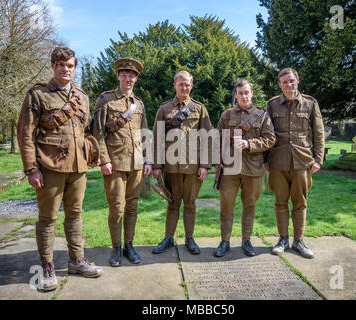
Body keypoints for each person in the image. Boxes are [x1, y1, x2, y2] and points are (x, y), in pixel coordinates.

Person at [17, 47, 102, 292]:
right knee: (47, 219)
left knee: (75, 215)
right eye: (61, 65)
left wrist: (93, 152)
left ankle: (77, 260)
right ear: (53, 66)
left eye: (71, 66)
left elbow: (86, 131)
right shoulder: (38, 95)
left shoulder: (82, 97)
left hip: (78, 167)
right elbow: (25, 134)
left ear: (75, 68)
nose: (66, 69)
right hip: (49, 166)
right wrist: (31, 169)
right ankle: (47, 267)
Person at [92, 58, 151, 267]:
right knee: (117, 208)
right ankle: (116, 248)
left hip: (136, 163)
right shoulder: (106, 100)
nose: (128, 79)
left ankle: (129, 245)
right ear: (118, 76)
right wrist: (104, 160)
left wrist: (148, 160)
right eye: (124, 75)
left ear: (136, 78)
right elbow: (97, 133)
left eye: (132, 75)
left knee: (132, 207)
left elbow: (144, 134)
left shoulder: (139, 104)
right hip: (115, 163)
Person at [265, 68, 325, 259]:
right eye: (284, 82)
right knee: (280, 202)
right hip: (278, 162)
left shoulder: (310, 103)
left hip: (302, 160)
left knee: (300, 203)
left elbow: (318, 132)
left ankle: (298, 241)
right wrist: (266, 159)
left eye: (291, 81)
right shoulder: (272, 105)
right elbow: (266, 133)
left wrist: (318, 159)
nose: (288, 85)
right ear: (280, 84)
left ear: (297, 81)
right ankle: (282, 239)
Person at [152, 71, 212, 255]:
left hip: (193, 167)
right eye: (181, 84)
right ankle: (168, 238)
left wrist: (205, 165)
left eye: (187, 84)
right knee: (172, 203)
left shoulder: (200, 109)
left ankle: (190, 239)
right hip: (171, 166)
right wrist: (157, 165)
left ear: (191, 86)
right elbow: (157, 138)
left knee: (190, 204)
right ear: (174, 85)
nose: (184, 88)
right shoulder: (164, 109)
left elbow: (208, 138)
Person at [214, 80, 275, 257]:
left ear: (252, 93)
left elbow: (270, 139)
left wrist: (249, 143)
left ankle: (246, 241)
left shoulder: (262, 115)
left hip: (253, 169)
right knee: (226, 206)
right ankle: (224, 241)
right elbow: (217, 138)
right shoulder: (226, 115)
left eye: (247, 92)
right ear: (236, 94)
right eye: (240, 93)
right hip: (230, 169)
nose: (244, 96)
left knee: (249, 205)